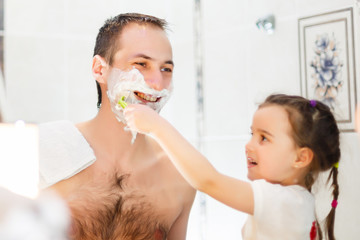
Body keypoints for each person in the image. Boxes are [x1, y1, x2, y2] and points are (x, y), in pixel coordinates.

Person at [39, 13, 195, 239]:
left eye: (165, 69)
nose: (156, 82)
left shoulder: (181, 177)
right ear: (99, 69)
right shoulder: (46, 153)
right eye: (141, 64)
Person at [124, 94, 341, 240]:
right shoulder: (296, 200)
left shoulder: (285, 202)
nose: (249, 145)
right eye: (252, 134)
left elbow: (208, 181)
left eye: (264, 138)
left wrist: (156, 126)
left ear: (301, 158)